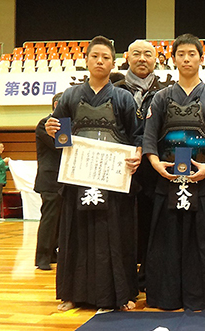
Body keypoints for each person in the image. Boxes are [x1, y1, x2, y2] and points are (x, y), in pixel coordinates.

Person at [45, 36, 142, 312]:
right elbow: (60, 135)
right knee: (76, 234)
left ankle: (119, 295)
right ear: (86, 60)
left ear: (114, 63)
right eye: (95, 56)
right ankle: (71, 294)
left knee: (114, 235)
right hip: (78, 178)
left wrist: (136, 154)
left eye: (106, 57)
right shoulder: (70, 97)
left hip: (112, 180)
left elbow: (136, 135)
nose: (100, 61)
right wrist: (53, 130)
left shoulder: (123, 97)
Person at [143, 33, 205, 311]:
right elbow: (149, 137)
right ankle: (166, 297)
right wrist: (156, 164)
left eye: (191, 54)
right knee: (167, 242)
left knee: (203, 242)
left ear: (201, 58)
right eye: (180, 54)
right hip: (168, 180)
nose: (186, 58)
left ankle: (202, 296)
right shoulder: (160, 97)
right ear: (173, 59)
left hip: (204, 180)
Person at [114, 39, 164, 291]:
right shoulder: (113, 89)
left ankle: (147, 278)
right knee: (120, 226)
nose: (142, 58)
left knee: (151, 224)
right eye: (136, 53)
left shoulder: (167, 91)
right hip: (118, 168)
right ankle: (122, 280)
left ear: (157, 59)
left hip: (154, 171)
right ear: (126, 57)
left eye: (148, 54)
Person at [34, 92, 63, 271]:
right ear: (56, 104)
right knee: (50, 219)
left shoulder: (66, 124)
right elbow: (60, 146)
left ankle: (53, 252)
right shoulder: (45, 124)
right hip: (50, 179)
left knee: (59, 220)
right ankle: (42, 256)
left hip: (63, 179)